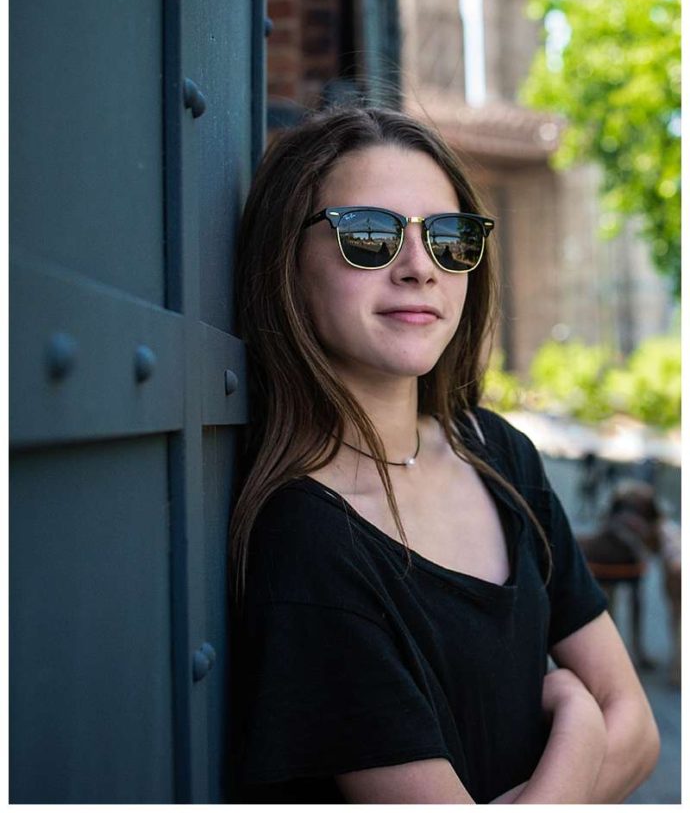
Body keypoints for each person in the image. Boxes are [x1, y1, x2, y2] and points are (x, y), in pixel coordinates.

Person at [229, 106, 660, 804]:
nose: (419, 268)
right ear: (287, 260)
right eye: (368, 235)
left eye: (450, 238)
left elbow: (640, 731)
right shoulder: (306, 540)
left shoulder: (498, 455)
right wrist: (580, 722)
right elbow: (611, 722)